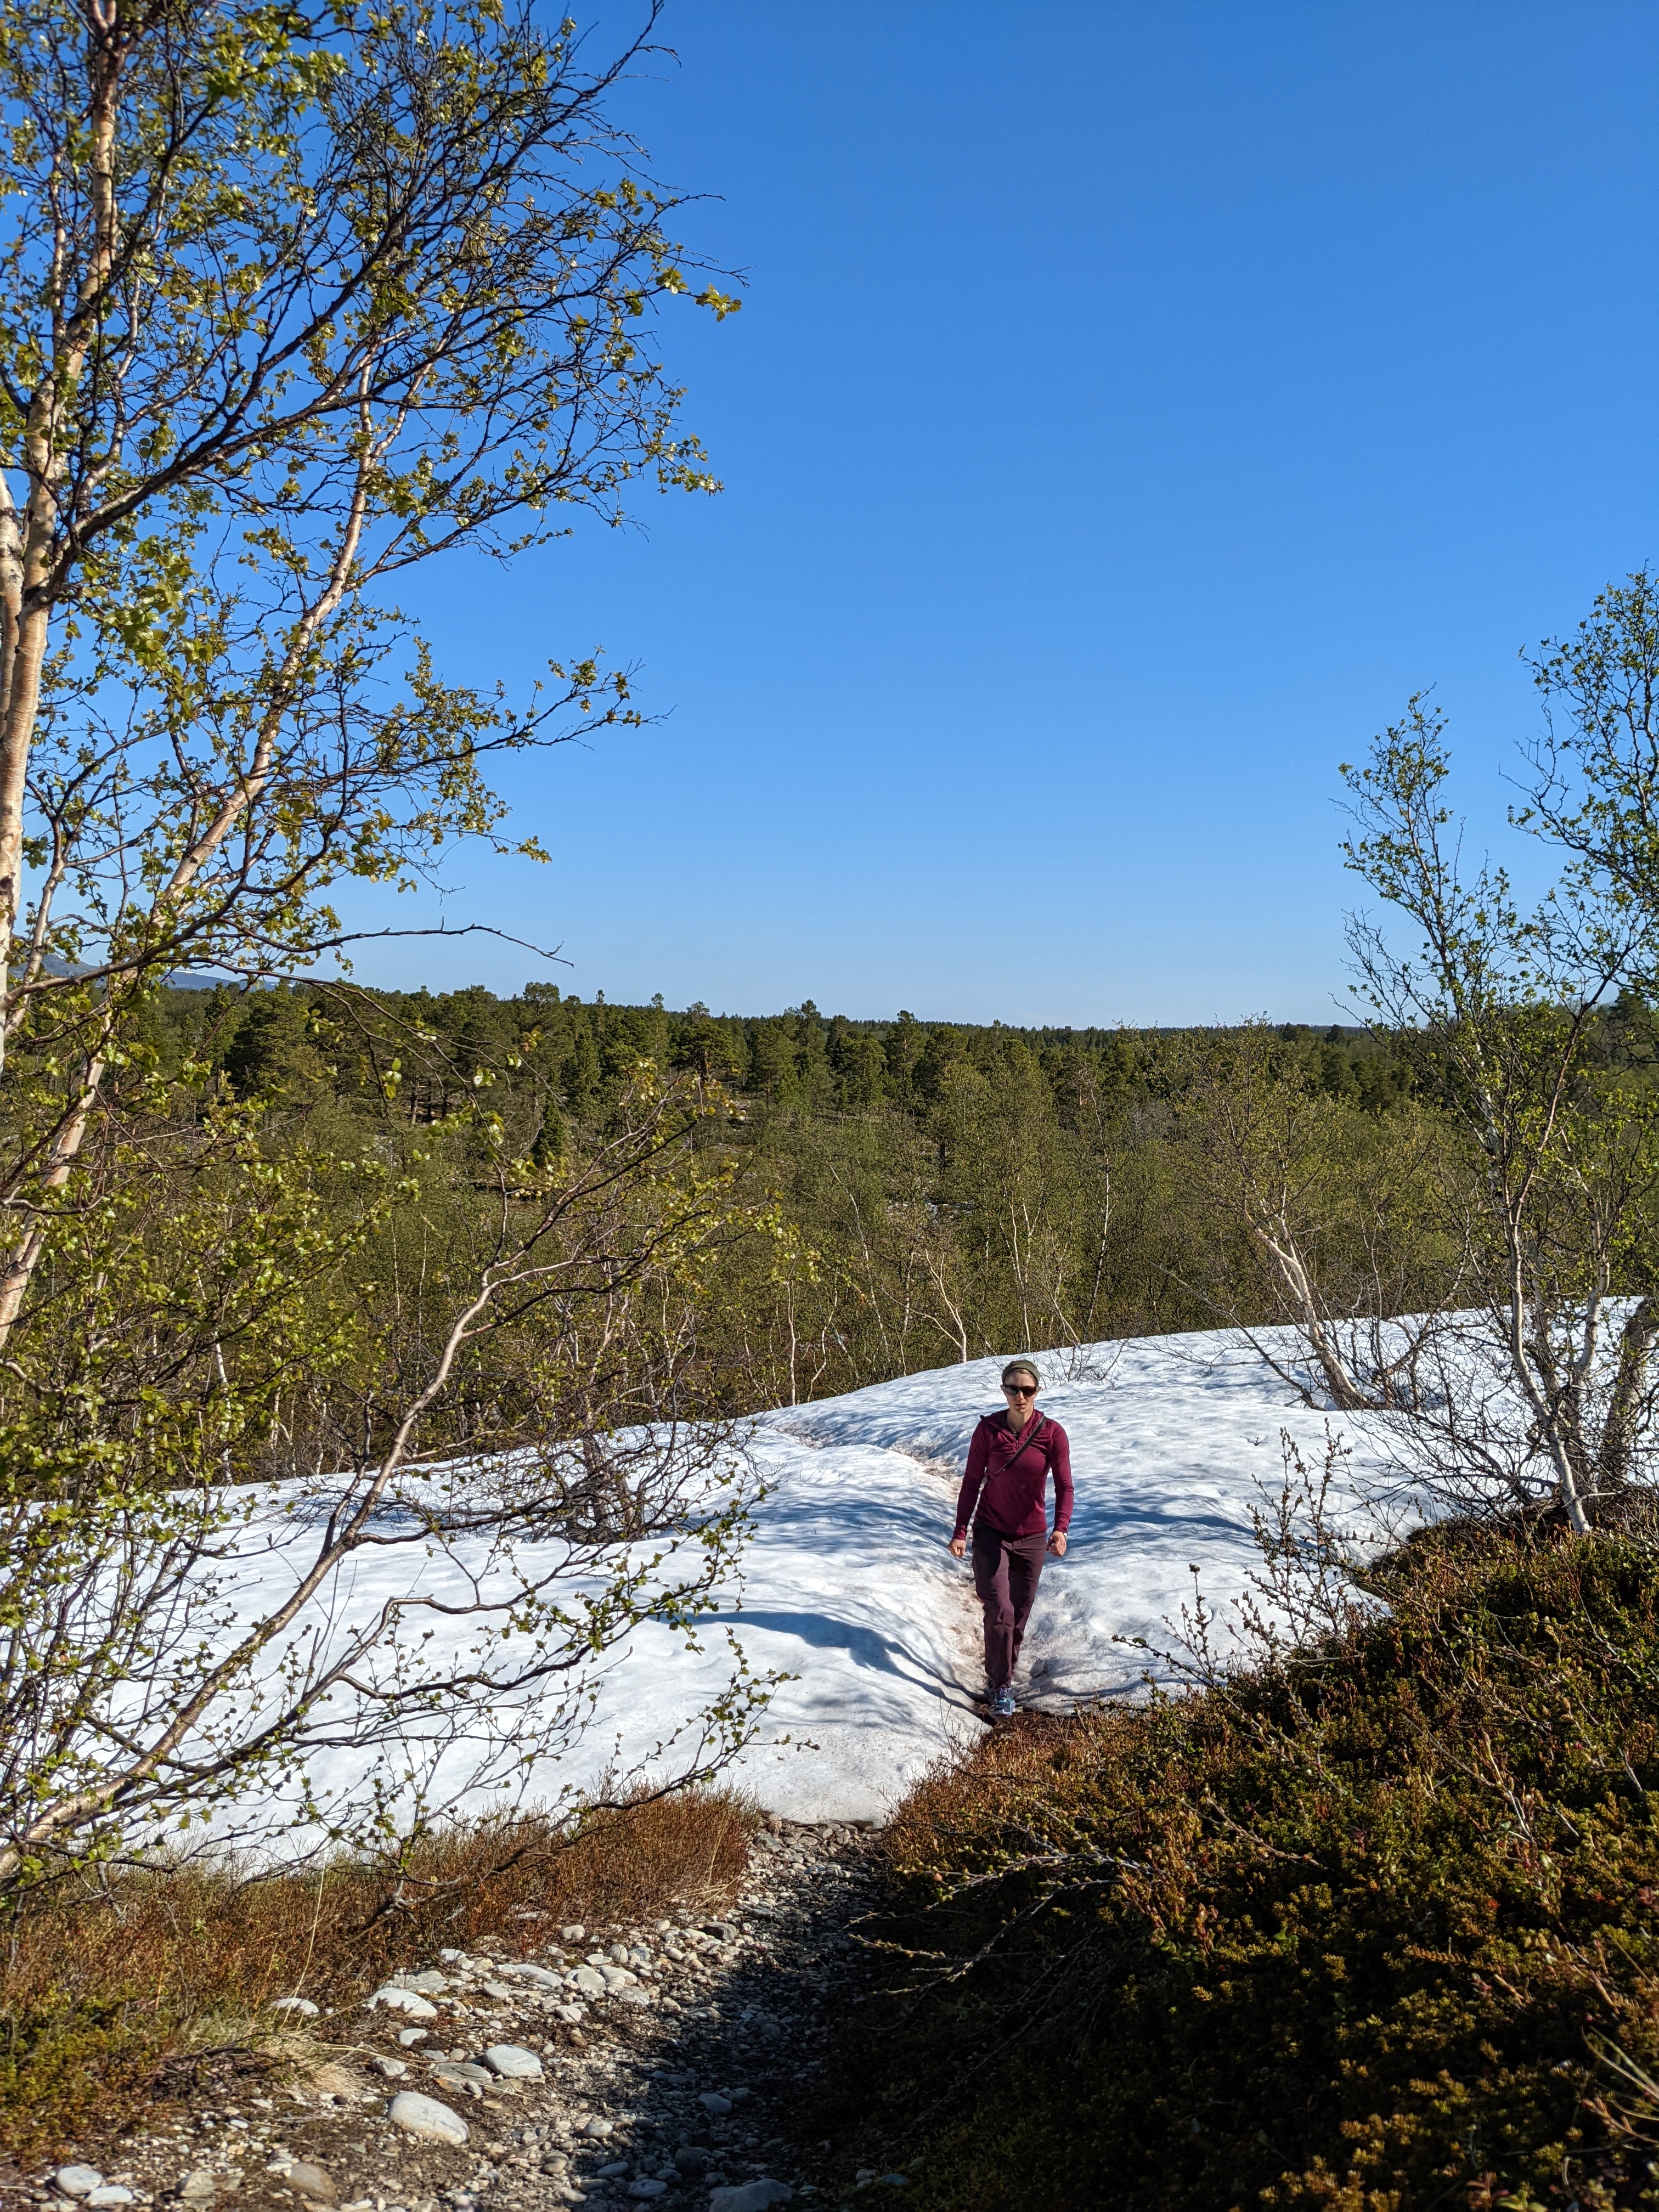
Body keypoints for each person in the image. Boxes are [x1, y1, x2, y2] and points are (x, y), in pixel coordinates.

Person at [949, 1357, 1073, 1719]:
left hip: (1032, 1537)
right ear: (1004, 1391)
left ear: (1037, 1391)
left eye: (1028, 1389)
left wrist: (1060, 1528)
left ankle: (1002, 1671)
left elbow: (1065, 1486)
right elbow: (971, 1483)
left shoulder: (1053, 1433)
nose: (1021, 1396)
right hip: (991, 1533)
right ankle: (1001, 1686)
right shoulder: (988, 1431)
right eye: (1013, 1389)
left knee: (1017, 1616)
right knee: (1000, 1610)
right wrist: (960, 1532)